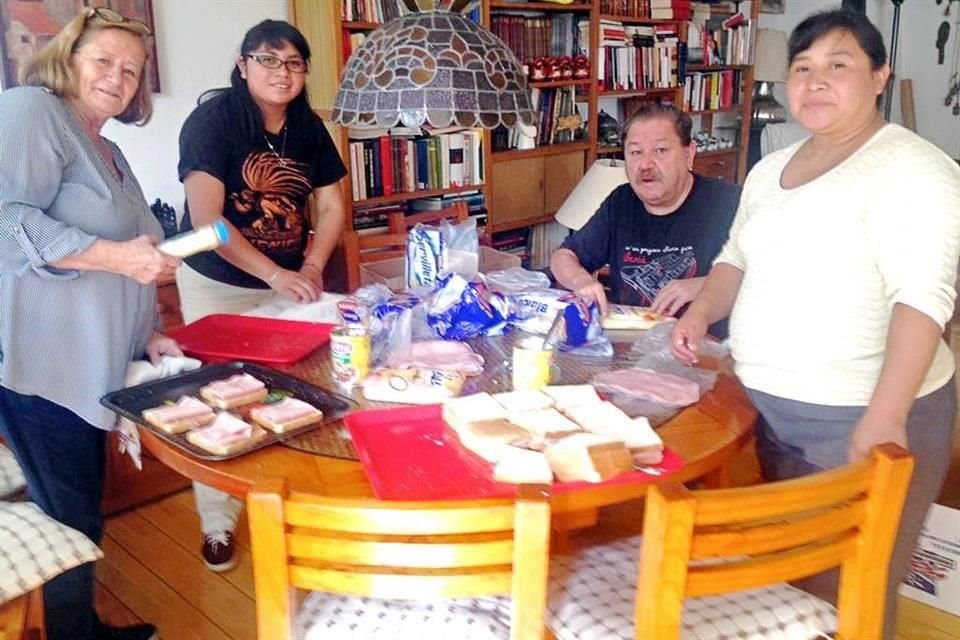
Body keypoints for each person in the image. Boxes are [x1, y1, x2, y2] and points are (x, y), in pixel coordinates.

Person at [671, 10, 960, 639]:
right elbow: (735, 257)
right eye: (802, 68)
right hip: (768, 410)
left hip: (859, 416)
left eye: (838, 64)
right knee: (787, 587)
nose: (816, 81)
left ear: (880, 76)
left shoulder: (915, 169)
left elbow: (923, 299)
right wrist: (701, 310)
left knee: (850, 594)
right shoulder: (769, 169)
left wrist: (885, 416)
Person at [0, 7, 181, 640]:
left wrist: (149, 328)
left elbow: (139, 250)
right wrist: (115, 257)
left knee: (79, 509)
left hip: (96, 364)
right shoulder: (31, 110)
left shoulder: (111, 150)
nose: (117, 77)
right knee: (71, 517)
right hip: (43, 365)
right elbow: (6, 218)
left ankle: (81, 629)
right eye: (103, 60)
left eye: (131, 71)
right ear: (68, 58)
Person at [176, 19, 347, 572]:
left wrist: (312, 265)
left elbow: (331, 206)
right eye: (268, 60)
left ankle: (289, 499)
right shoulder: (213, 121)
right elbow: (207, 222)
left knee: (300, 390)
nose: (282, 72)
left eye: (294, 63)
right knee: (221, 399)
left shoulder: (307, 127)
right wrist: (274, 273)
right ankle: (218, 522)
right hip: (218, 286)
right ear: (243, 64)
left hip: (291, 281)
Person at [550, 103, 741, 337]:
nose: (645, 164)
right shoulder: (621, 201)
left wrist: (707, 285)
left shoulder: (730, 203)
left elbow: (771, 278)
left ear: (688, 153)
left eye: (660, 150)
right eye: (635, 152)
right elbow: (563, 257)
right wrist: (581, 281)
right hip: (630, 346)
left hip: (705, 349)